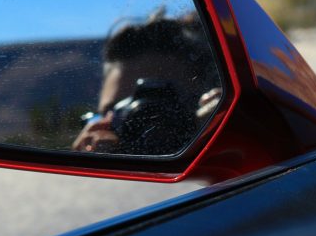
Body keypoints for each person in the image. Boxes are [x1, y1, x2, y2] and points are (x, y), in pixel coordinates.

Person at [72, 12, 222, 156]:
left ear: (206, 104)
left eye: (166, 103)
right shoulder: (103, 157)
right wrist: (94, 160)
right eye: (116, 110)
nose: (142, 123)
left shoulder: (216, 132)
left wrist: (218, 136)